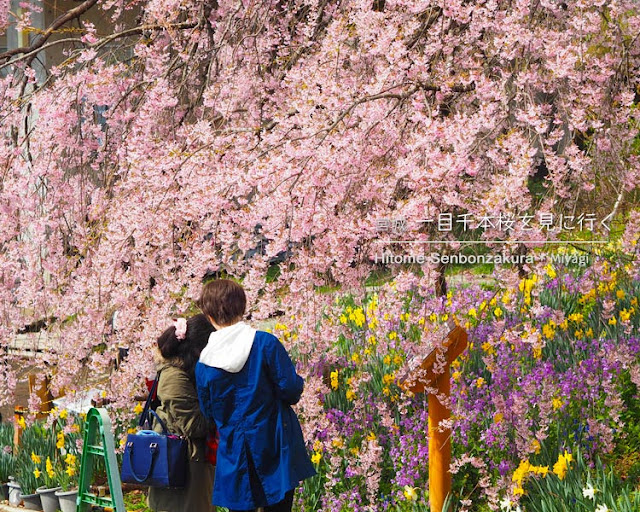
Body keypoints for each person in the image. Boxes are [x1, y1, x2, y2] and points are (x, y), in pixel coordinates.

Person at [195, 279, 316, 512]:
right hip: (274, 441)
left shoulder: (205, 362)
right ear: (243, 306)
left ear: (208, 314)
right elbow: (291, 390)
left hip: (234, 449)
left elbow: (208, 411)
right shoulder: (264, 344)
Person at [147, 314, 217, 512]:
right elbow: (194, 425)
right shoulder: (174, 376)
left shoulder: (183, 372)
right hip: (181, 463)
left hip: (188, 462)